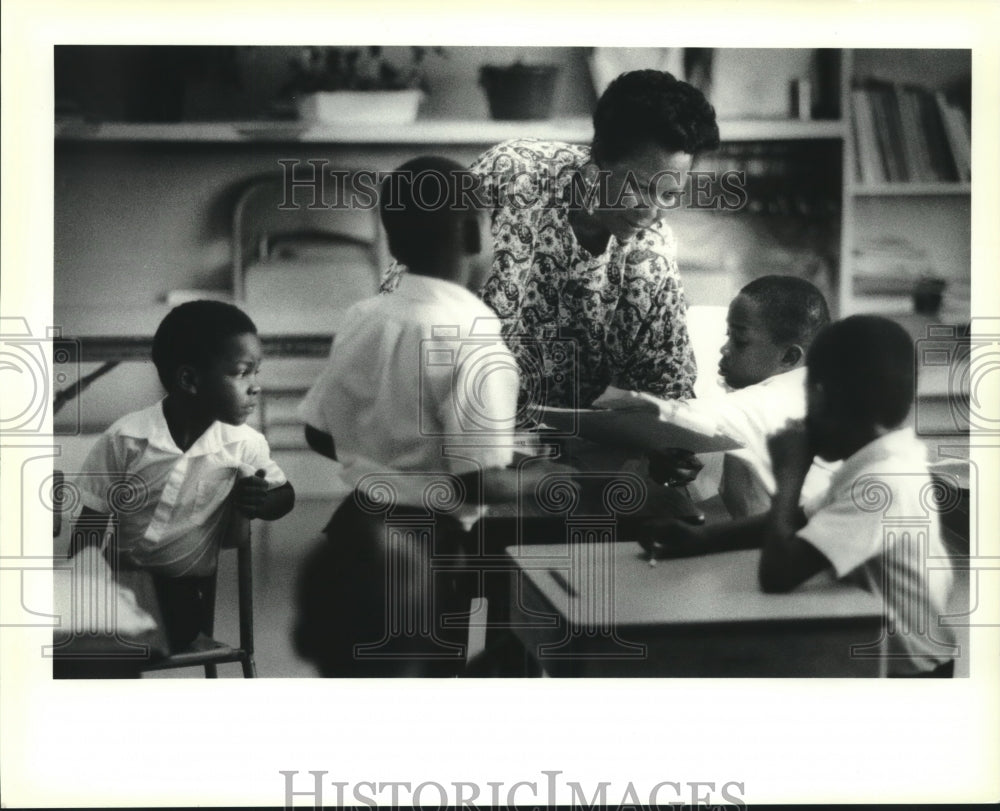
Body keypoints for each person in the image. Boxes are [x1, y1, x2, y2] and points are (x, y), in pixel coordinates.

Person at [296, 156, 568, 676]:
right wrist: (548, 479)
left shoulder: (364, 317)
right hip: (424, 556)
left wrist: (383, 458)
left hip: (353, 532)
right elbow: (477, 485)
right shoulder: (472, 337)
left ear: (394, 244)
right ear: (472, 232)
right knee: (422, 689)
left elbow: (316, 431)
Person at [380, 70, 720, 411]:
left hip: (557, 444)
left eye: (670, 194)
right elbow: (410, 288)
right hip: (445, 409)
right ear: (599, 158)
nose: (652, 213)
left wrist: (673, 443)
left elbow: (669, 386)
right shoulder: (512, 176)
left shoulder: (653, 254)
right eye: (642, 188)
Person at [640, 315, 956, 677]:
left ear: (822, 397)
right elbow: (804, 519)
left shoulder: (885, 482)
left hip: (910, 673)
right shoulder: (878, 461)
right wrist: (700, 538)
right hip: (884, 653)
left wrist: (790, 473)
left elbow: (779, 573)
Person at [70, 301, 295, 652]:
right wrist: (82, 590)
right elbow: (91, 520)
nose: (255, 387)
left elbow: (285, 495)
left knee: (141, 632)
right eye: (241, 373)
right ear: (190, 379)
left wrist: (261, 499)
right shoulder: (127, 438)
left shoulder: (244, 444)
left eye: (256, 372)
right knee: (86, 637)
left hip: (187, 591)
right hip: (120, 581)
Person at [598, 275, 835, 516]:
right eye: (727, 335)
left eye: (740, 341)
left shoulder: (769, 401)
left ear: (789, 357)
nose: (724, 349)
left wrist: (586, 398)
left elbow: (651, 414)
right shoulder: (818, 392)